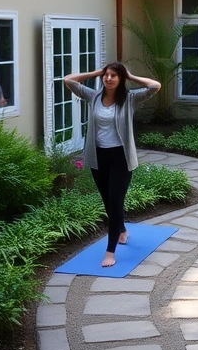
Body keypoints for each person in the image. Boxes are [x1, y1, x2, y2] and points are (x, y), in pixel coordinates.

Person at [63, 62, 160, 267]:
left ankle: (110, 251)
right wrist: (95, 72)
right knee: (108, 201)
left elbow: (155, 86)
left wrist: (130, 76)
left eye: (114, 75)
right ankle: (122, 229)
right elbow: (68, 80)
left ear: (121, 78)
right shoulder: (93, 96)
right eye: (106, 75)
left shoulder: (130, 99)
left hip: (121, 158)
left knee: (115, 202)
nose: (108, 78)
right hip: (98, 156)